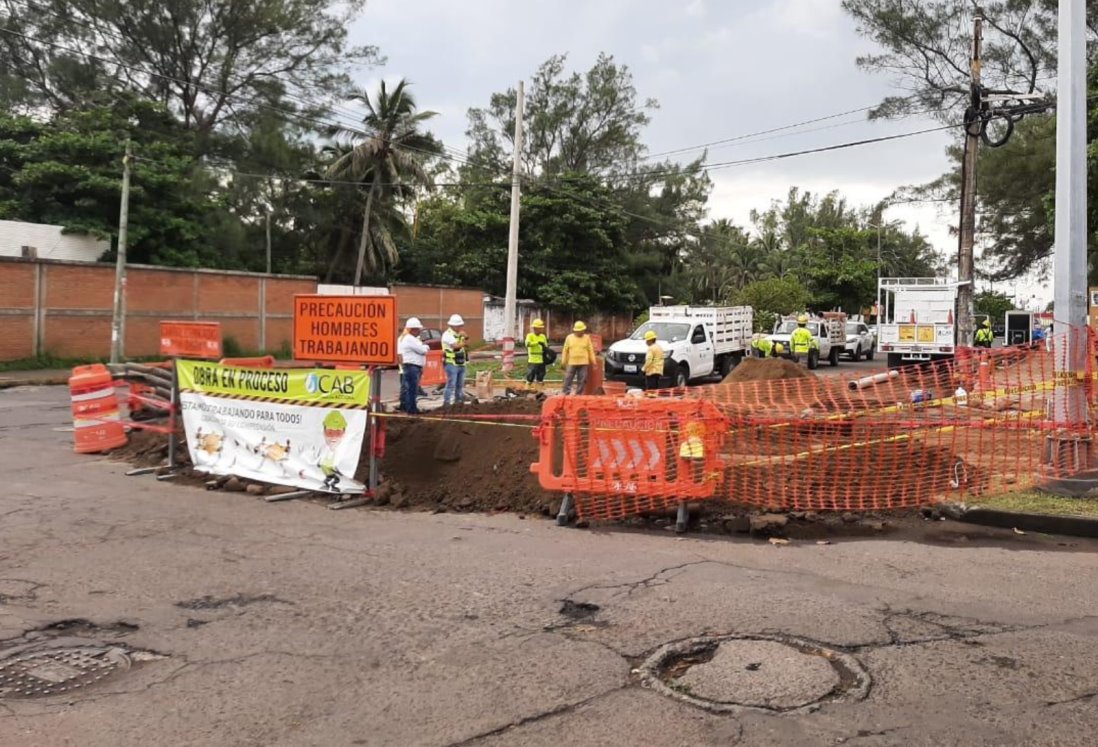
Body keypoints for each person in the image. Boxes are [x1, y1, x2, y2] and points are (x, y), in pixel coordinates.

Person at [397, 317, 429, 414]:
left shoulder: (407, 338)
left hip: (411, 366)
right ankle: (411, 409)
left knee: (408, 388)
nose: (420, 331)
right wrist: (426, 347)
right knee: (412, 390)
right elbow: (423, 350)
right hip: (412, 367)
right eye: (418, 329)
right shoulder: (410, 339)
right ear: (413, 329)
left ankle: (407, 407)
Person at [561, 321, 596, 395]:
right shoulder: (569, 338)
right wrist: (563, 362)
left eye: (583, 330)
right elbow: (565, 350)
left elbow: (590, 350)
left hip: (583, 363)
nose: (582, 332)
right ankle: (566, 392)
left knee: (582, 379)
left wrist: (594, 362)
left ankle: (579, 394)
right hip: (572, 362)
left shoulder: (587, 338)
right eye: (581, 331)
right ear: (576, 331)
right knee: (568, 378)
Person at [442, 314, 468, 407]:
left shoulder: (459, 334)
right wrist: (463, 342)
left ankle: (458, 402)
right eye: (458, 326)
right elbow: (455, 346)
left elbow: (466, 344)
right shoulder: (447, 335)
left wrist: (465, 337)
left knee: (460, 385)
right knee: (451, 384)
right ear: (452, 325)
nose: (460, 327)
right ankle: (446, 403)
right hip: (451, 363)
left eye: (461, 325)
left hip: (461, 362)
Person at [525, 319, 549, 388]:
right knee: (530, 375)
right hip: (533, 360)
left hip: (541, 360)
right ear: (535, 328)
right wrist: (537, 343)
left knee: (541, 375)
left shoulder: (543, 336)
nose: (540, 330)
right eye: (539, 328)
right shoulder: (530, 336)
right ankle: (527, 388)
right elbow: (528, 344)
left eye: (541, 328)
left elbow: (546, 346)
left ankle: (539, 390)